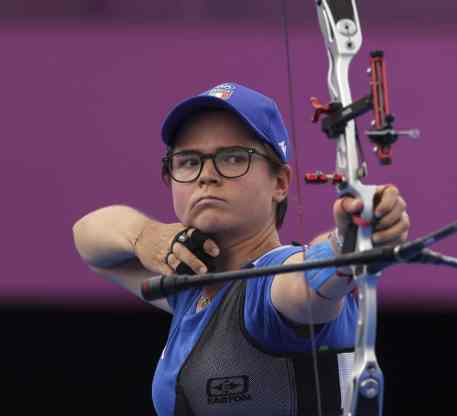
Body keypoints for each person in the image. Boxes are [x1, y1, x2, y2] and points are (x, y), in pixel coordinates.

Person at [72, 82, 410, 416]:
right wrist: (145, 235)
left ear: (280, 183)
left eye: (233, 158)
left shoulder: (272, 286)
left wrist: (347, 243)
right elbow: (89, 241)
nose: (207, 176)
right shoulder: (192, 287)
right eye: (188, 162)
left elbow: (308, 281)